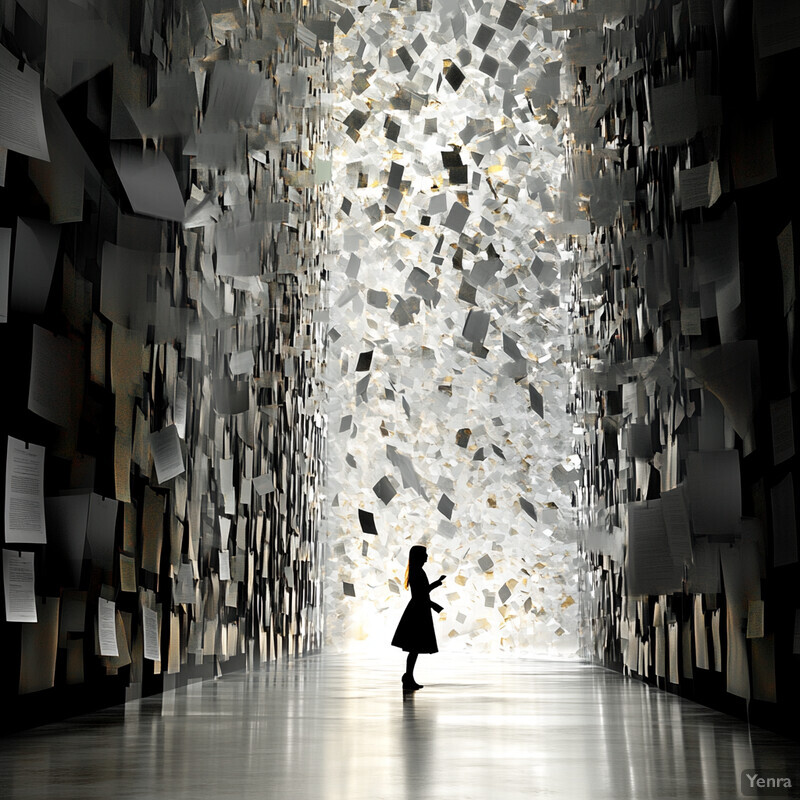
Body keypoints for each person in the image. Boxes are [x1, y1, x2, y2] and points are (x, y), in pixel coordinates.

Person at [391, 545, 445, 692]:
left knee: (414, 648)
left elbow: (421, 593)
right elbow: (421, 594)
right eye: (425, 554)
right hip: (418, 611)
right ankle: (408, 677)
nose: (427, 556)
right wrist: (434, 603)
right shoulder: (417, 572)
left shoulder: (416, 571)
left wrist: (435, 588)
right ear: (419, 556)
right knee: (414, 648)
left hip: (418, 609)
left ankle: (408, 677)